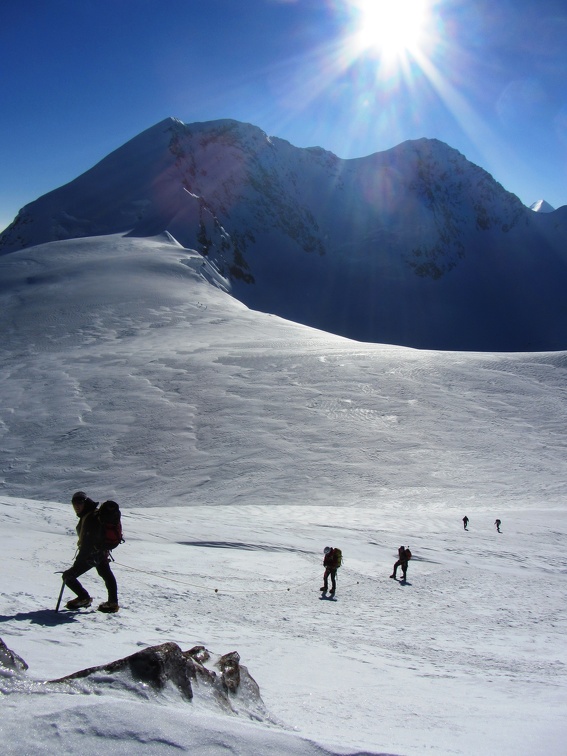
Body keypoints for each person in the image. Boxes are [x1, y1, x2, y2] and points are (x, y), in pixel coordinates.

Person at [62, 491, 119, 613]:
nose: (77, 506)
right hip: (101, 552)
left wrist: (78, 562)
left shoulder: (90, 517)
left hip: (91, 555)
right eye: (74, 503)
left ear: (85, 502)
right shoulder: (91, 514)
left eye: (79, 503)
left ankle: (84, 598)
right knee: (106, 574)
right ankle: (112, 602)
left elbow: (88, 541)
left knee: (68, 576)